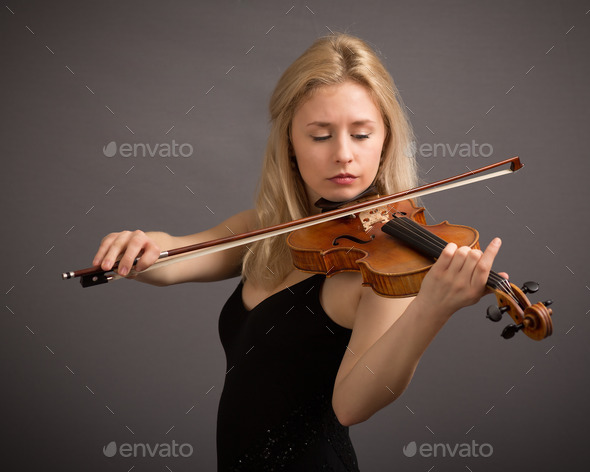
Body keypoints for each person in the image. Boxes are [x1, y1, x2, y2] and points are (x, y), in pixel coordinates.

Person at [92, 34, 503, 471]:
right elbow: (176, 256)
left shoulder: (382, 271)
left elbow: (350, 406)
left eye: (362, 134)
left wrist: (432, 310)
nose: (344, 155)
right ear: (289, 142)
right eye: (321, 136)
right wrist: (144, 246)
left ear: (385, 141)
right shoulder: (266, 231)